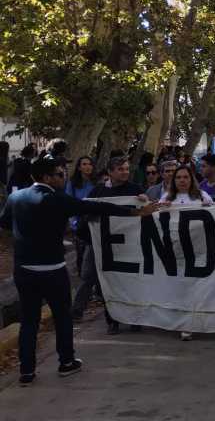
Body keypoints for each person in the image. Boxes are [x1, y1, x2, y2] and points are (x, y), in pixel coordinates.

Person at [1, 159, 160, 386]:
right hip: (53, 270)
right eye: (59, 174)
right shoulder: (58, 199)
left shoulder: (15, 198)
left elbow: (5, 223)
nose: (63, 178)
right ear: (47, 178)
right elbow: (97, 208)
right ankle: (66, 362)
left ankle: (26, 372)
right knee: (63, 317)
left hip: (24, 270)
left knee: (29, 321)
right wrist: (136, 212)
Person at [72, 157, 148, 333]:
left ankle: (135, 318)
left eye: (127, 169)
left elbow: (146, 211)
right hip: (99, 245)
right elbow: (85, 213)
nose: (125, 172)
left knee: (130, 282)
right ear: (110, 172)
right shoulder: (97, 192)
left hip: (128, 246)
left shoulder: (135, 190)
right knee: (102, 281)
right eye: (121, 169)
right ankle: (111, 320)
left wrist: (144, 199)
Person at [160, 166, 212, 341]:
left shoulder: (203, 196)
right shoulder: (167, 198)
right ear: (174, 181)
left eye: (186, 177)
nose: (182, 180)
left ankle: (191, 323)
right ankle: (180, 321)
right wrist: (161, 207)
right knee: (179, 287)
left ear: (191, 179)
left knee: (195, 288)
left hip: (198, 250)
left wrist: (209, 207)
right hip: (175, 251)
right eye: (179, 177)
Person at [66, 157, 97, 278]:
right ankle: (82, 277)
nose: (88, 166)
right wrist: (73, 222)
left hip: (95, 221)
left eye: (90, 164)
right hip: (80, 223)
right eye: (84, 164)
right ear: (79, 167)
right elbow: (69, 204)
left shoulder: (97, 182)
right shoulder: (72, 184)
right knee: (81, 253)